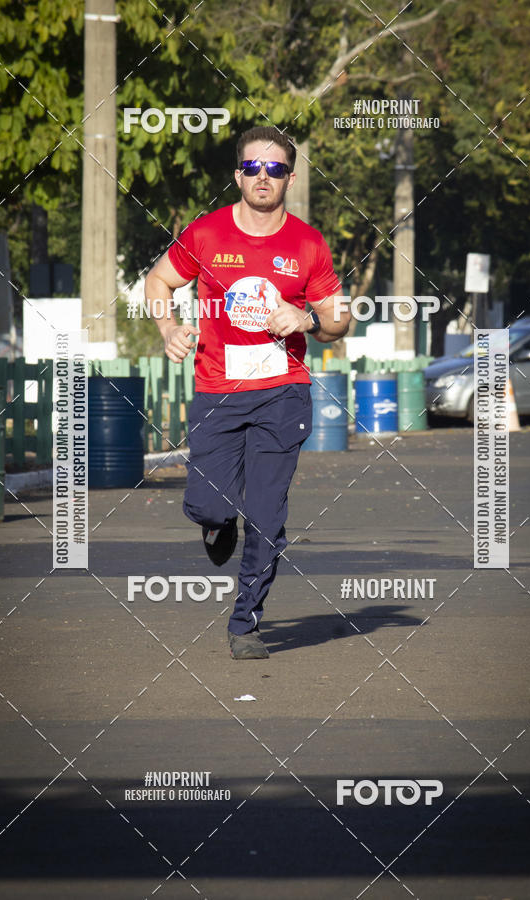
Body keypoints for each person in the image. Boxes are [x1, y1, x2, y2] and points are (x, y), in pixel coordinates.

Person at [144, 125, 350, 659]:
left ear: (290, 178)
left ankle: (245, 625)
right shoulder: (207, 233)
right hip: (218, 390)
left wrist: (305, 317)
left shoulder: (307, 243)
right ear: (238, 175)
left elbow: (337, 321)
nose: (264, 177)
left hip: (283, 393)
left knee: (267, 514)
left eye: (275, 169)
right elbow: (157, 280)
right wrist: (168, 329)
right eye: (254, 168)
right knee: (210, 505)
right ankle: (216, 527)